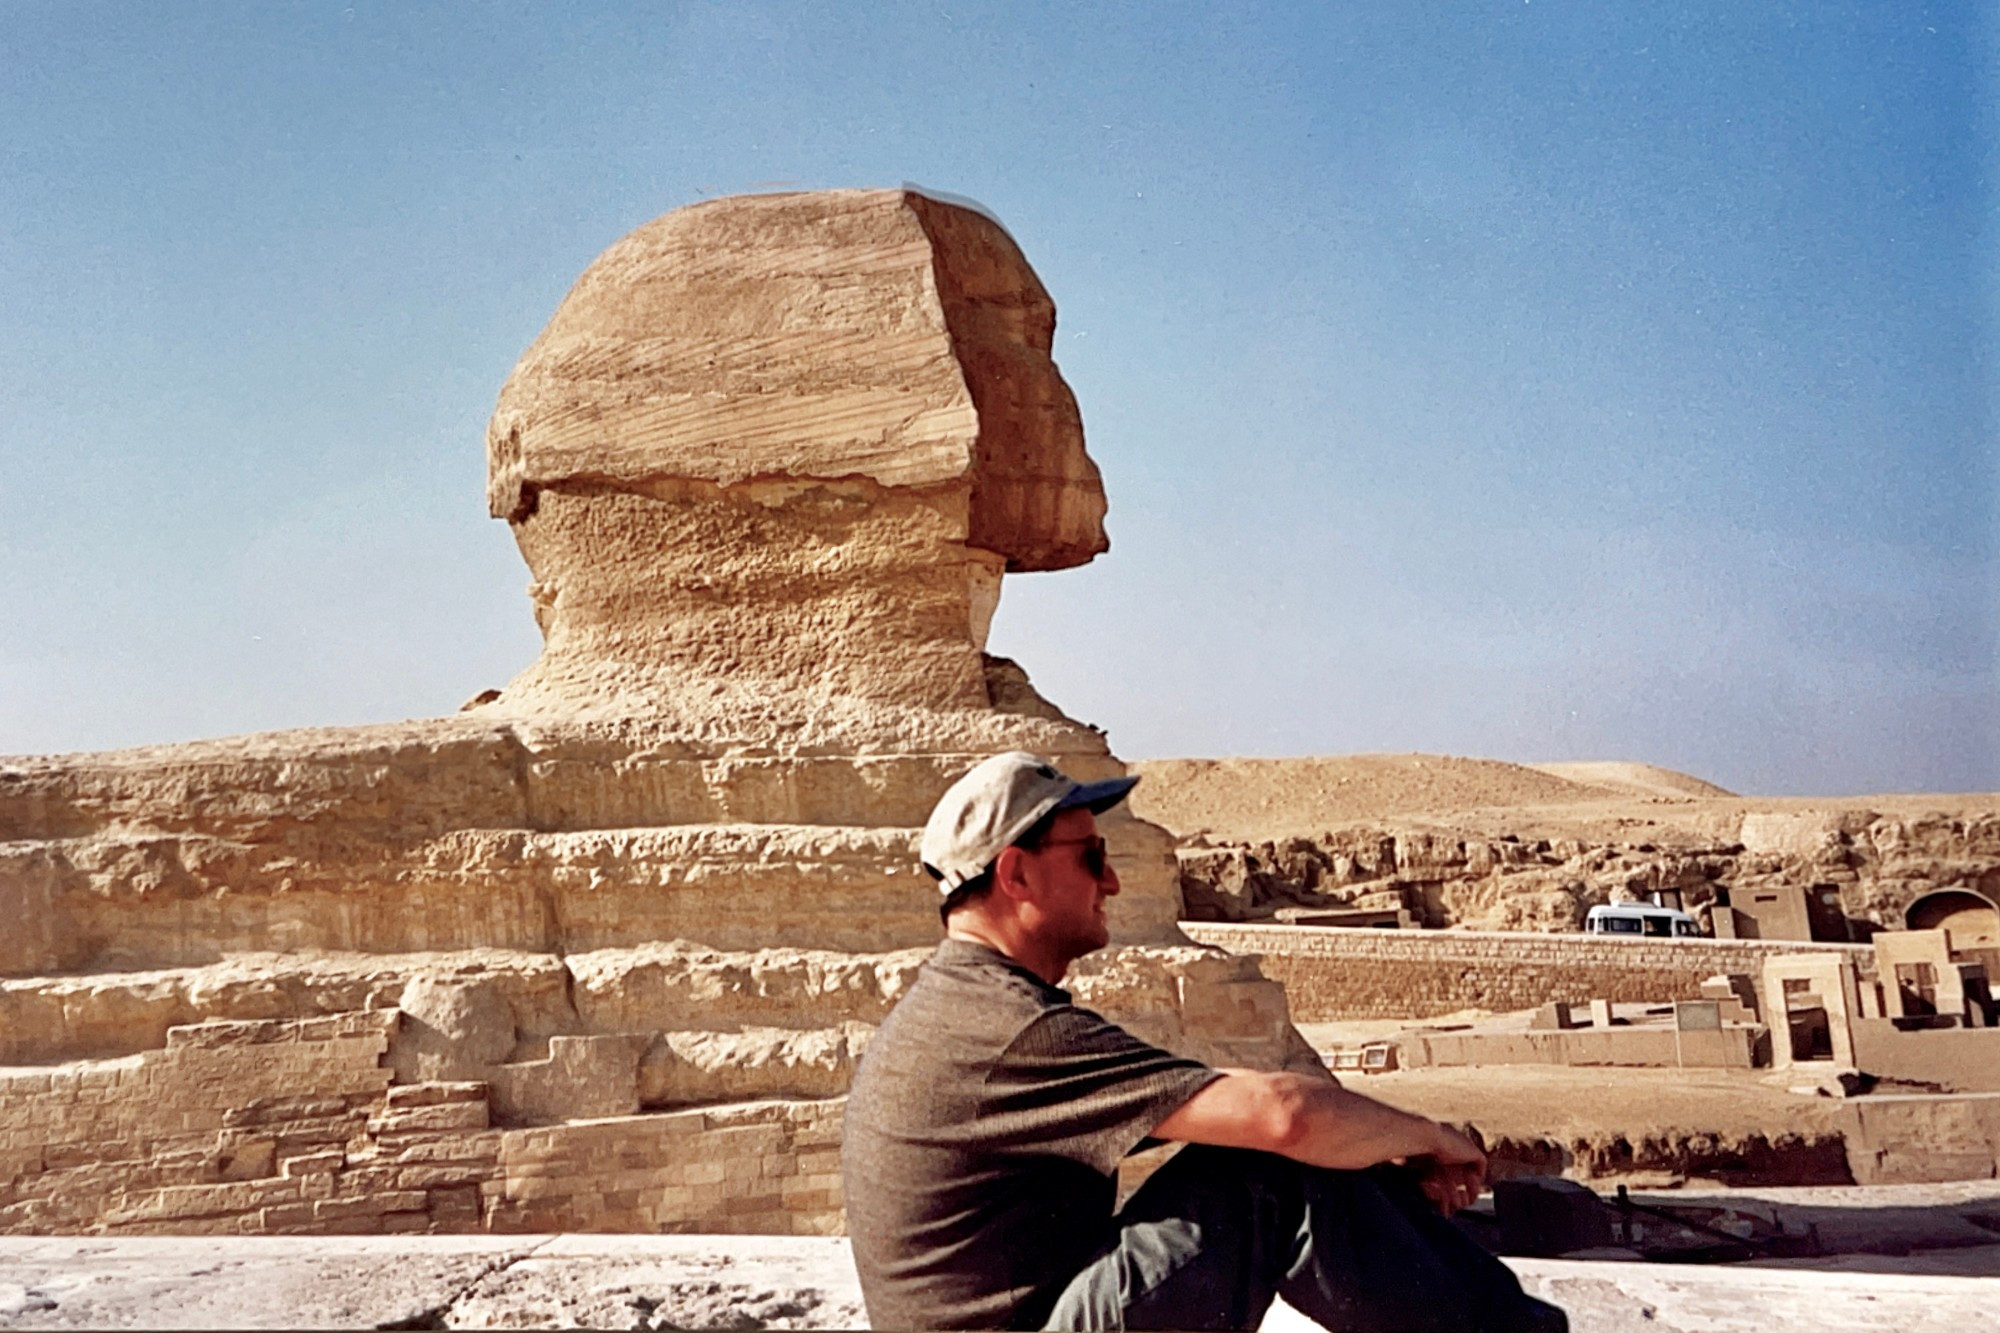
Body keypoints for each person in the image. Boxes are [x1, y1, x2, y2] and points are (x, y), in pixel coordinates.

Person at [842, 752, 1567, 1332]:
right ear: (1015, 871)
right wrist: (1432, 1136)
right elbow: (1283, 1115)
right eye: (1092, 857)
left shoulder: (961, 1003)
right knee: (1270, 1169)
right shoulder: (1009, 1028)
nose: (1115, 880)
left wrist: (1383, 1160)